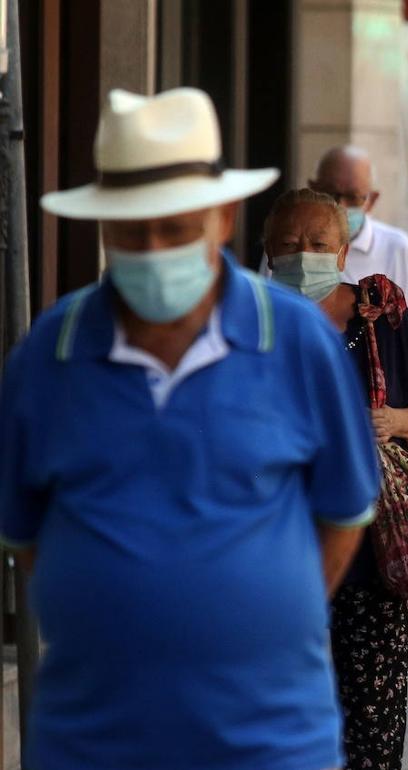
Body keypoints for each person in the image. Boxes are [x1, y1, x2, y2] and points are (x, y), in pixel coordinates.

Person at [0, 88, 379, 769]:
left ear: (223, 217)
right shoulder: (50, 353)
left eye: (174, 228)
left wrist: (259, 618)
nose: (152, 250)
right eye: (131, 231)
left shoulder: (297, 343)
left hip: (267, 737)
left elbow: (344, 514)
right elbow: (26, 534)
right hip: (91, 740)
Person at [264, 188, 408, 769]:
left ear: (343, 251)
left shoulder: (378, 314)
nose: (305, 255)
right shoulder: (249, 320)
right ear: (268, 252)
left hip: (372, 546)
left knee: (370, 712)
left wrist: (394, 420)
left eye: (319, 244)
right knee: (281, 704)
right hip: (275, 542)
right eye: (291, 244)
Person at [306, 144, 408, 356]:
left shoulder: (397, 249)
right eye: (330, 193)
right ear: (313, 190)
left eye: (352, 197)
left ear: (372, 200)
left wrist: (388, 386)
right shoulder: (288, 248)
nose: (339, 205)